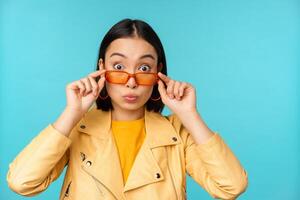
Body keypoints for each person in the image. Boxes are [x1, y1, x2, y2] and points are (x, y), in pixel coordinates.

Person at [6, 18, 248, 200]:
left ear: (157, 73)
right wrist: (72, 113)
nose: (131, 81)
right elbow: (21, 182)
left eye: (144, 68)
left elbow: (231, 186)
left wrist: (190, 115)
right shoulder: (77, 126)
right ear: (102, 67)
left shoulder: (177, 131)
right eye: (119, 66)